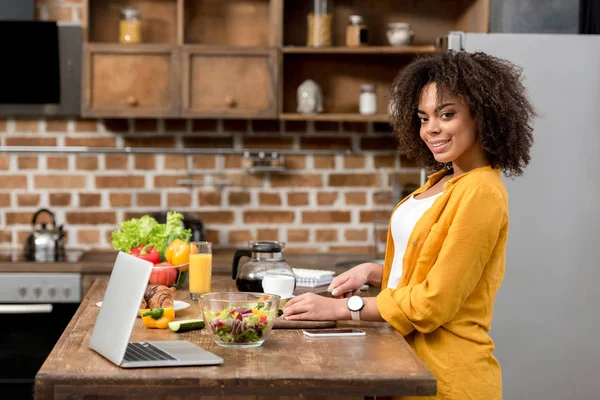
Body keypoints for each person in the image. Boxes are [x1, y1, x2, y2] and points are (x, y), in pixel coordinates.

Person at [282, 51, 535, 400]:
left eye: (447, 114)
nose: (432, 129)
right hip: (405, 361)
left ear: (483, 115)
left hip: (446, 379)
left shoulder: (481, 192)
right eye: (423, 117)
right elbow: (431, 268)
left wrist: (342, 308)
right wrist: (374, 272)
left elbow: (434, 301)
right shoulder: (442, 181)